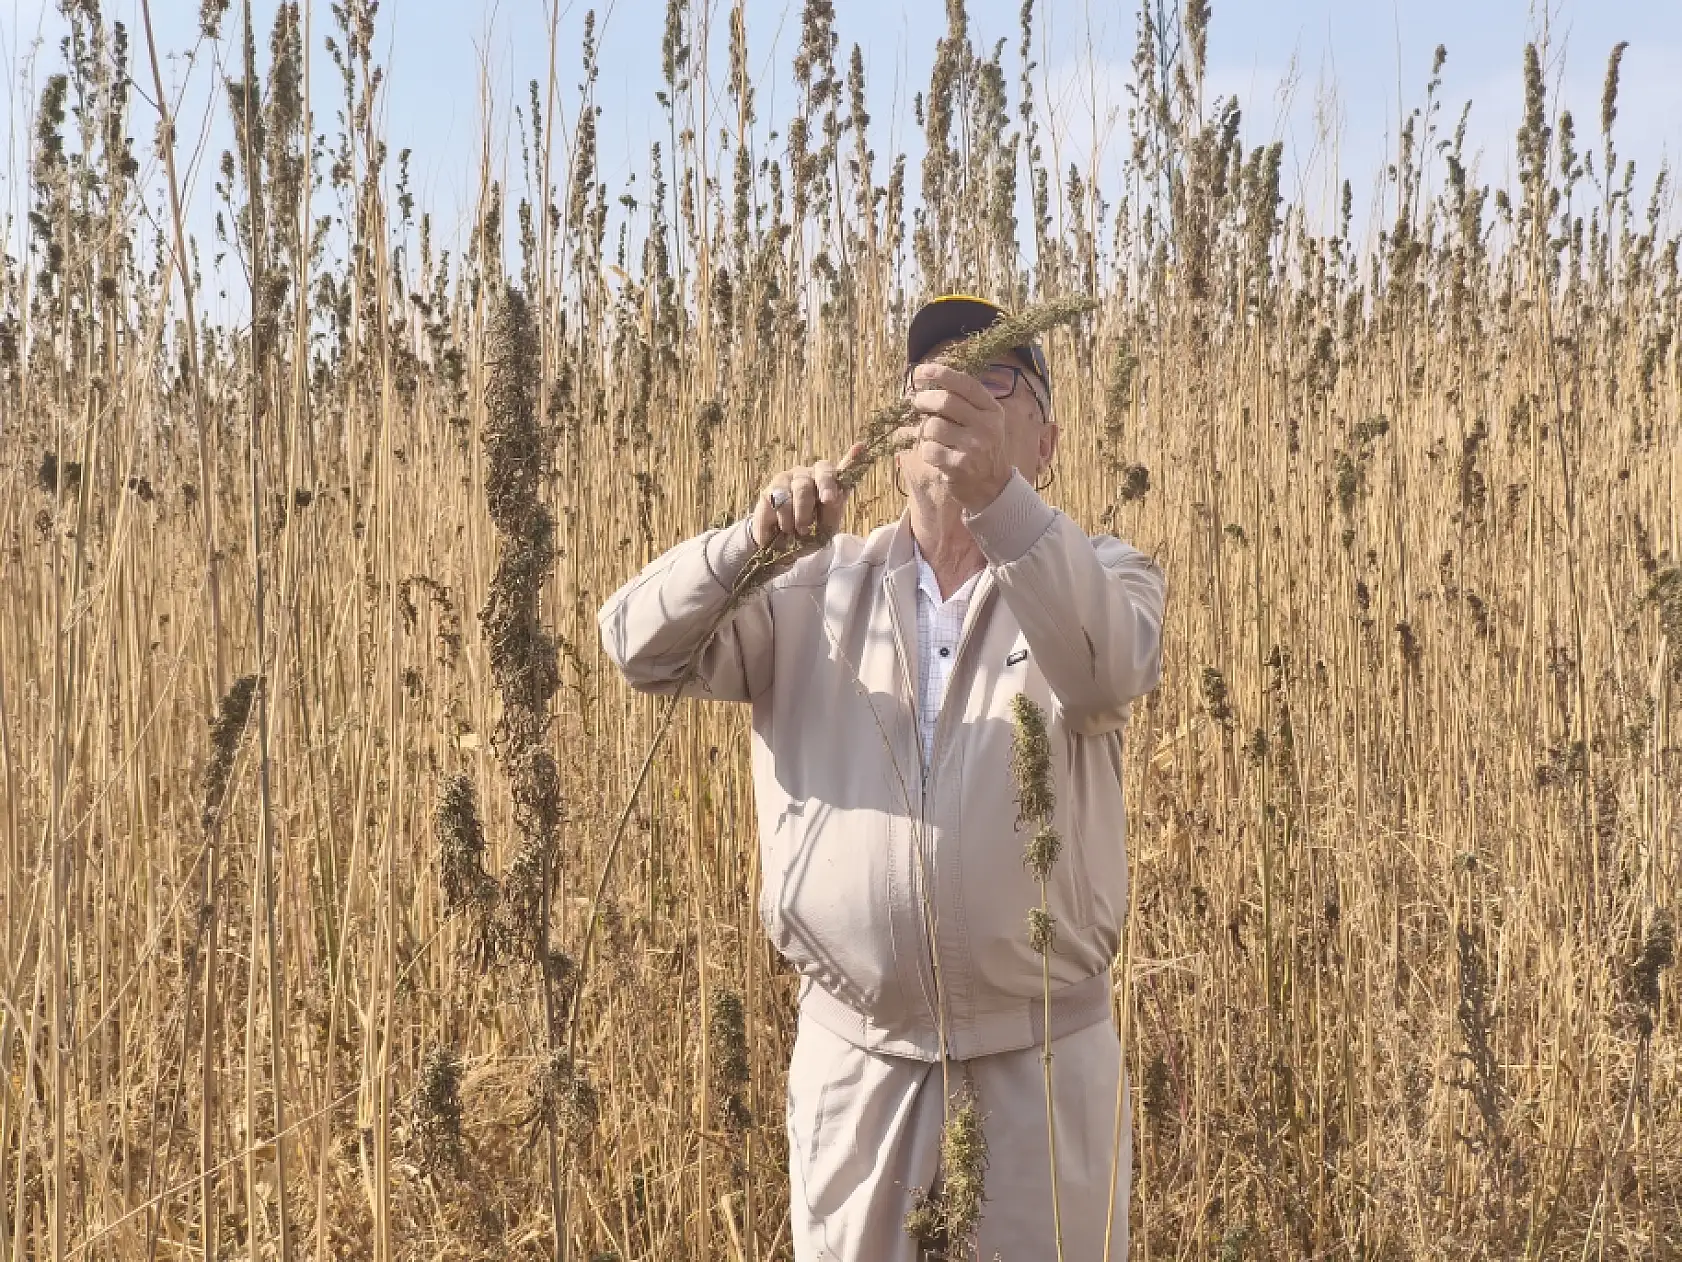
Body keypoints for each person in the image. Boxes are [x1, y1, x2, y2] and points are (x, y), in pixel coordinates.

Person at [598, 294, 1166, 1259]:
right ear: (895, 438)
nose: (952, 395)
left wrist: (1001, 506)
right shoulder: (811, 588)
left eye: (993, 378)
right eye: (930, 379)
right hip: (857, 1068)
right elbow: (635, 649)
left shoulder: (1105, 574)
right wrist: (747, 549)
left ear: (1048, 437)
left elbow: (1105, 670)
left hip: (1041, 1065)